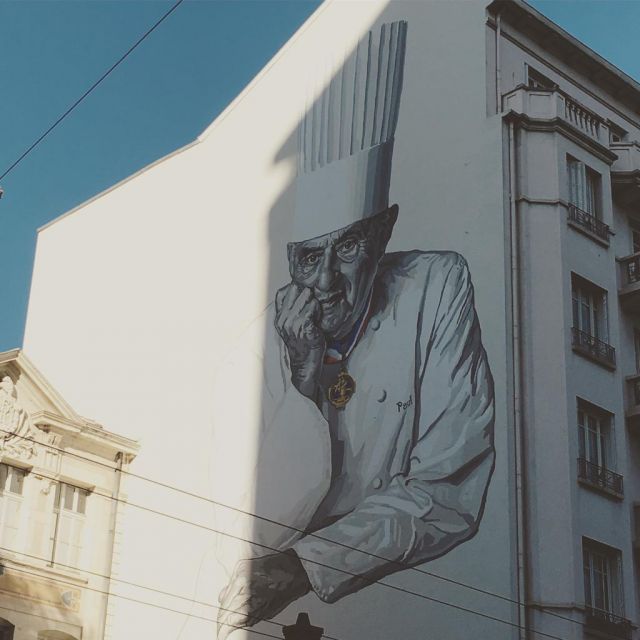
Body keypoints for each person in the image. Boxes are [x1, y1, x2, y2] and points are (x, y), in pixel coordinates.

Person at [215, 20, 495, 639]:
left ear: (386, 231)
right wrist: (304, 389)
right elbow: (257, 525)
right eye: (308, 257)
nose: (324, 285)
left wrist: (302, 566)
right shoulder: (257, 339)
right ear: (289, 258)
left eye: (347, 248)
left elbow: (449, 490)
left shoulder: (437, 285)